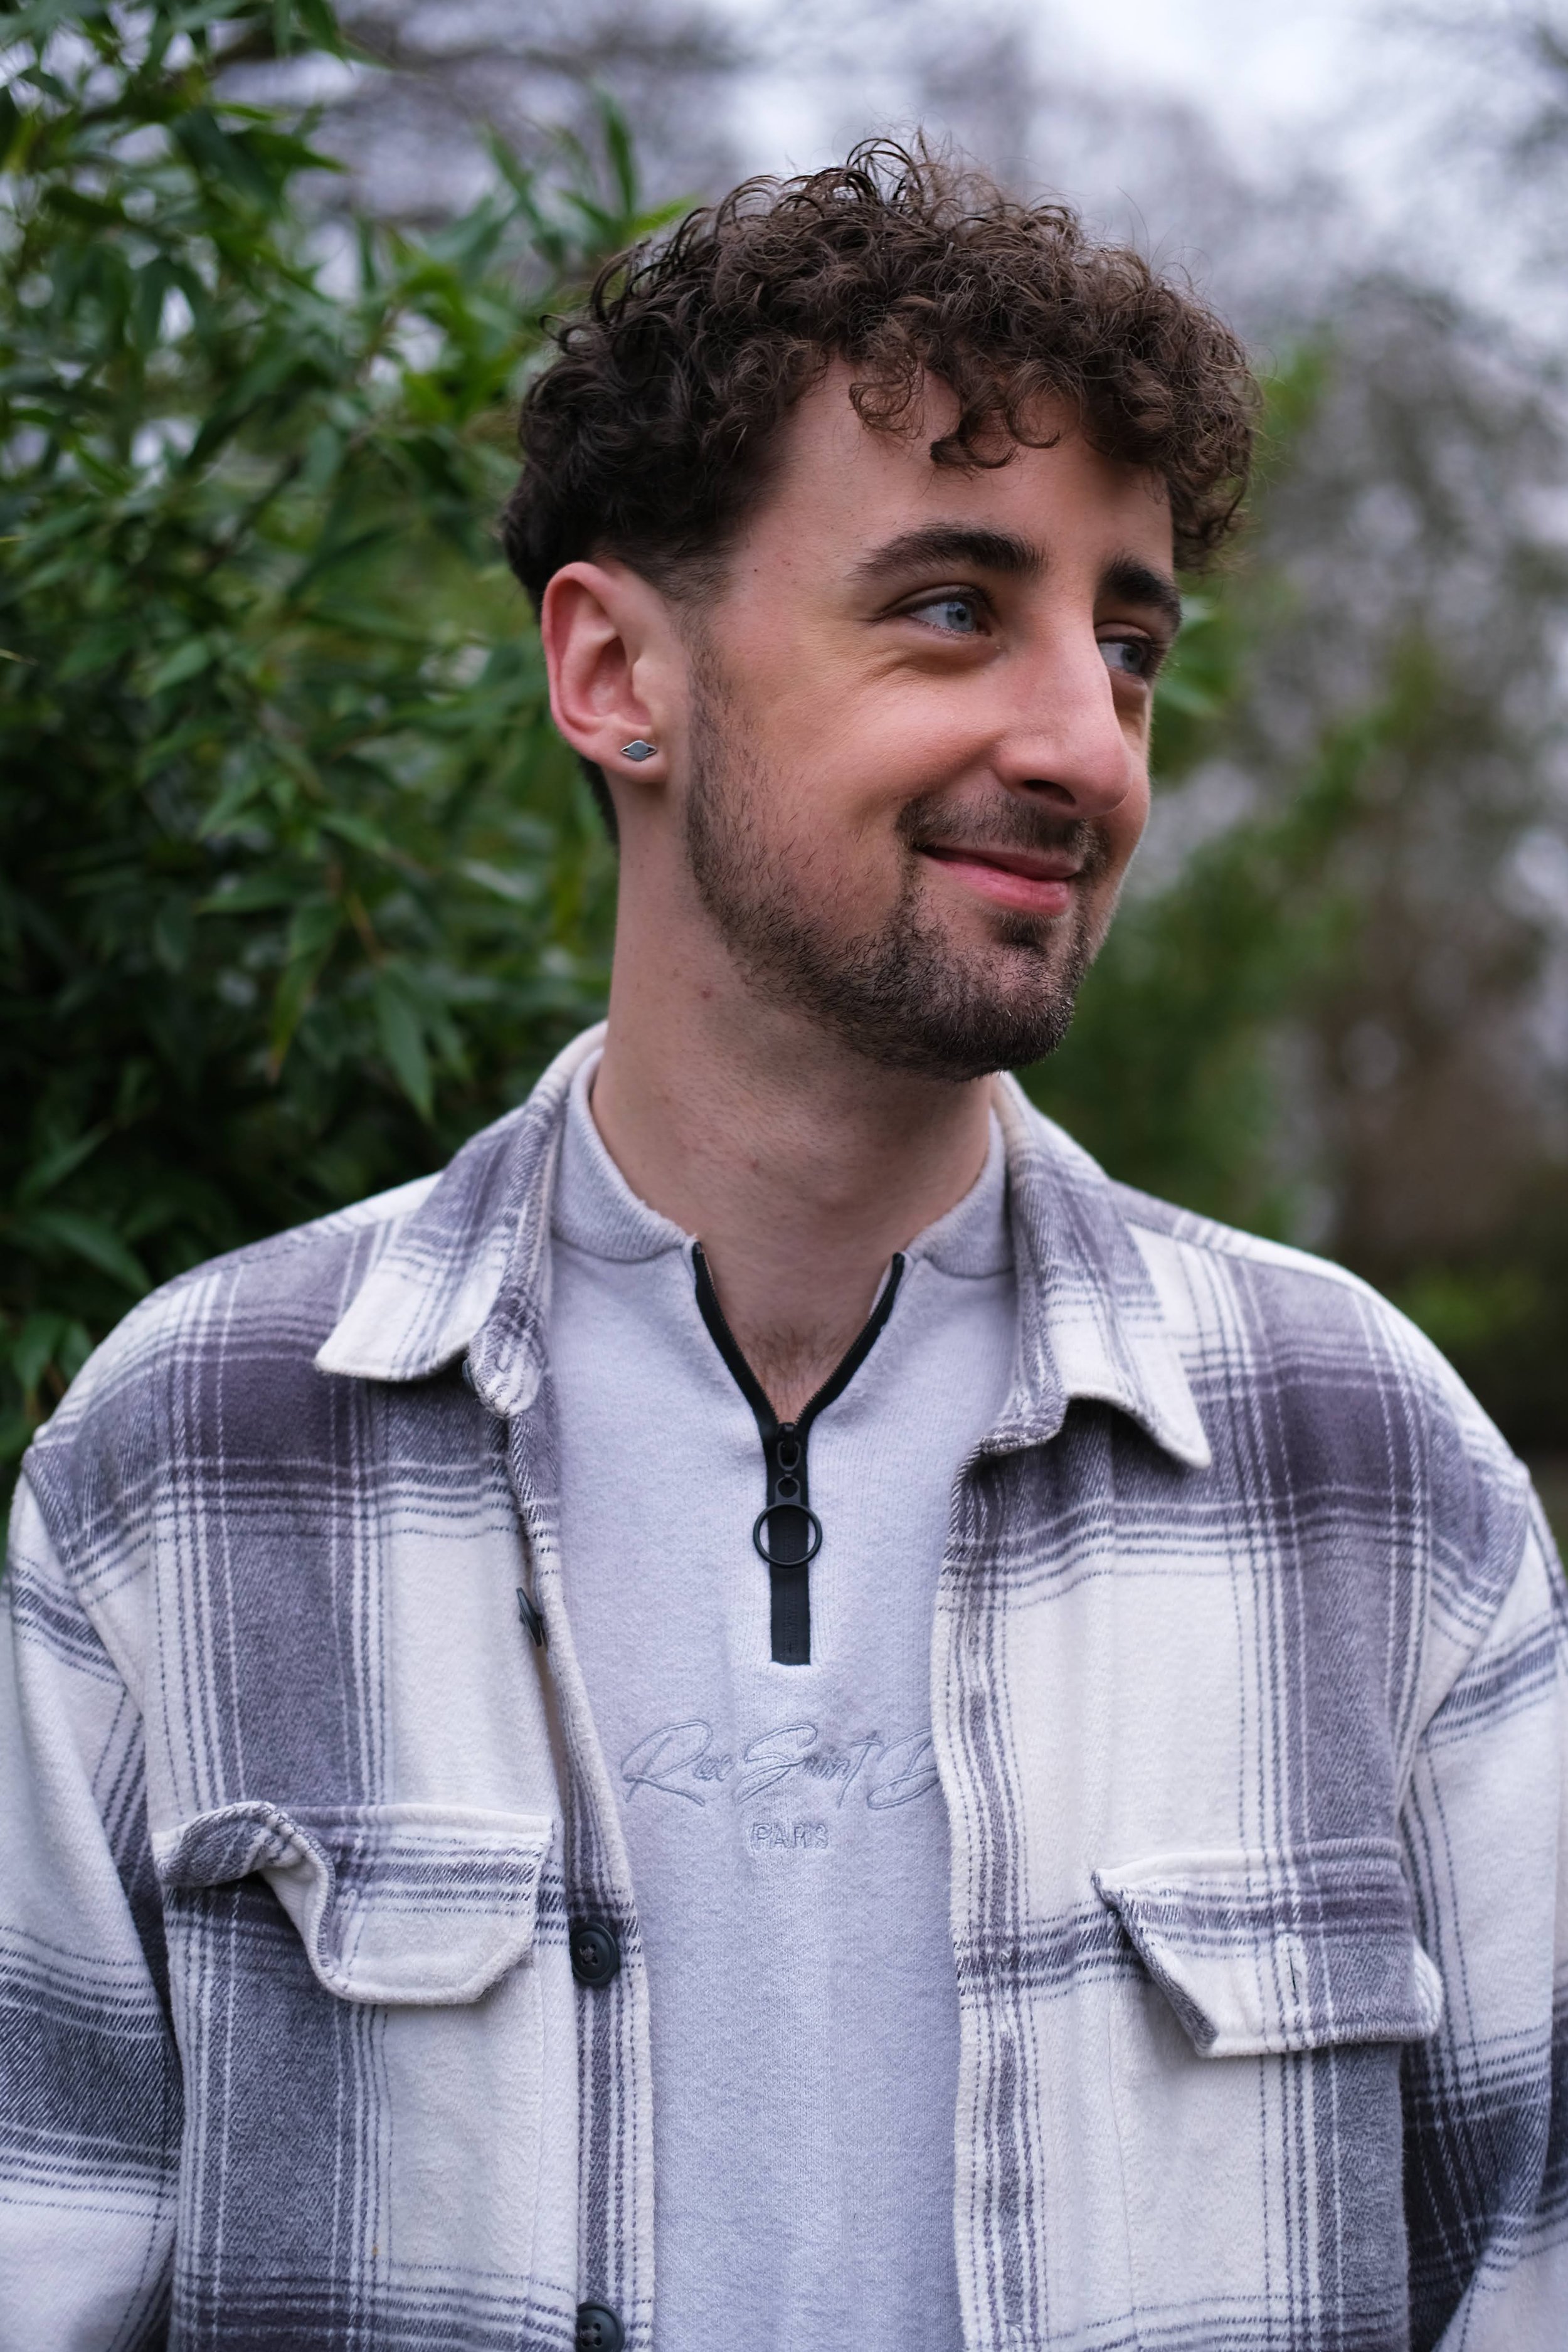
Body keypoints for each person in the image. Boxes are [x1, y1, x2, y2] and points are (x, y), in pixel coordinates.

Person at [1, 143, 1562, 2352]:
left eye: (1126, 644)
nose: (1086, 744)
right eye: (953, 608)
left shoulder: (1365, 1469)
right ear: (614, 670)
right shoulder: (191, 1460)